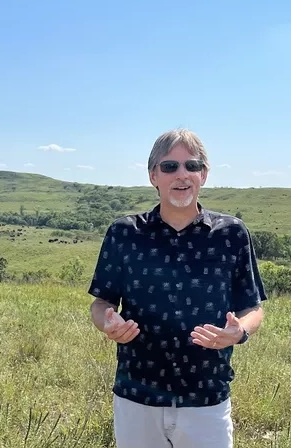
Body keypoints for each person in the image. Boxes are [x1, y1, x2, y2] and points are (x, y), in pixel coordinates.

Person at [88, 128, 266, 448]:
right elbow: (101, 303)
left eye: (192, 165)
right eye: (169, 166)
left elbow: (252, 307)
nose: (181, 174)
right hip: (137, 396)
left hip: (207, 397)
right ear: (153, 175)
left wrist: (240, 332)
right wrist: (107, 323)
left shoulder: (232, 234)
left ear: (204, 174)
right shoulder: (125, 232)